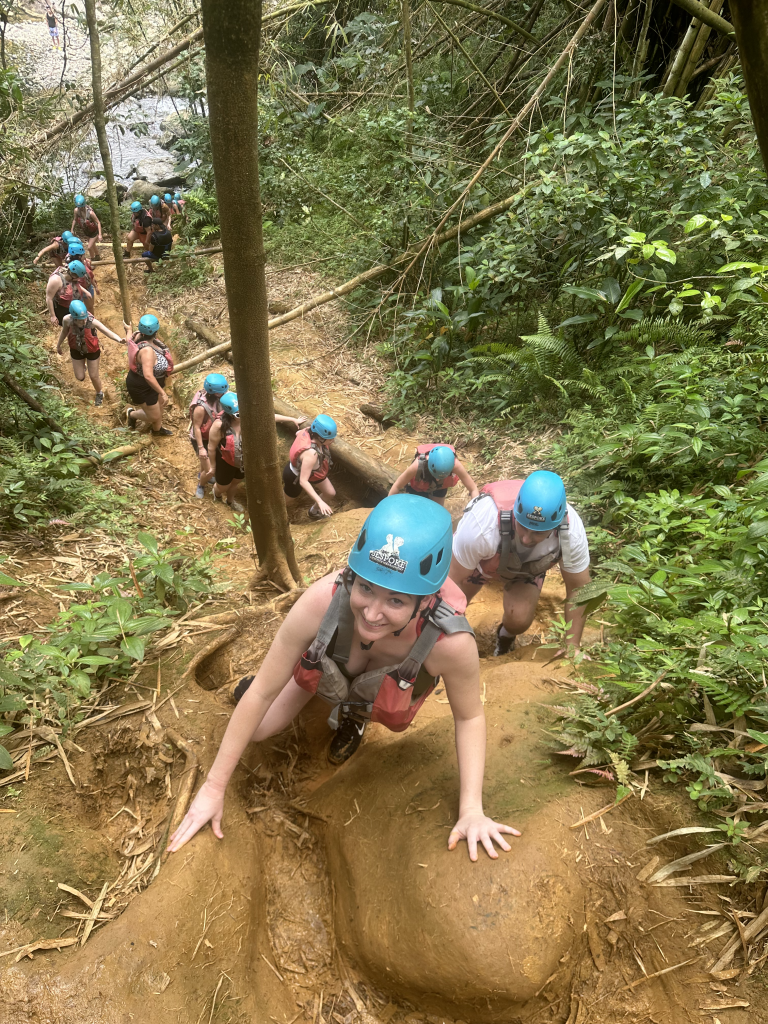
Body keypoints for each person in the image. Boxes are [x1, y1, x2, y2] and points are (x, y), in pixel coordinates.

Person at [166, 494, 520, 861]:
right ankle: (307, 684)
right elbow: (262, 694)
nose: (372, 613)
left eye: (396, 601)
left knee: (369, 697)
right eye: (366, 587)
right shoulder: (323, 600)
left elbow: (469, 716)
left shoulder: (449, 643)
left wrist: (472, 810)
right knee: (258, 724)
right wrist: (213, 787)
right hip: (327, 670)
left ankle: (354, 716)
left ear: (427, 599)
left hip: (379, 695)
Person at [448, 471, 592, 657]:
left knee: (519, 620)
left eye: (538, 533)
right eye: (523, 526)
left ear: (555, 526)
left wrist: (572, 645)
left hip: (527, 569)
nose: (526, 539)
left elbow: (579, 588)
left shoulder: (570, 534)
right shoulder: (483, 523)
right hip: (480, 564)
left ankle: (505, 639)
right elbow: (453, 581)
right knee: (453, 613)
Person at [55, 300, 125, 407]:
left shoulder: (91, 322)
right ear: (73, 317)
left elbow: (106, 331)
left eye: (84, 319)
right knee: (80, 377)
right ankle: (83, 366)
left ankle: (99, 393)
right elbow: (64, 331)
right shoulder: (67, 320)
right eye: (80, 320)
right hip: (76, 349)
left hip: (92, 350)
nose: (83, 322)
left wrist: (119, 340)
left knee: (93, 376)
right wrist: (58, 345)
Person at [125, 314, 174, 437]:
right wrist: (162, 393)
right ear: (156, 331)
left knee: (160, 407)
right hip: (143, 385)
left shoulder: (138, 337)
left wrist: (129, 331)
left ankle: (157, 430)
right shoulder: (147, 350)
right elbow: (148, 375)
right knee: (154, 415)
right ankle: (131, 414)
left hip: (153, 382)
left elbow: (128, 342)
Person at [389, 443, 480, 507]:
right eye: (436, 476)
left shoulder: (455, 465)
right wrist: (387, 505)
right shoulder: (418, 465)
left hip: (440, 487)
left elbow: (473, 489)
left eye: (440, 477)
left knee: (437, 510)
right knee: (417, 508)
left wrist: (476, 508)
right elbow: (397, 485)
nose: (437, 479)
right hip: (420, 483)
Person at [283, 414, 337, 519]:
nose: (333, 441)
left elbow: (297, 433)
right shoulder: (311, 454)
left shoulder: (308, 431)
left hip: (313, 472)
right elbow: (303, 481)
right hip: (294, 477)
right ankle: (273, 513)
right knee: (287, 500)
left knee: (330, 493)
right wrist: (320, 501)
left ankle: (313, 512)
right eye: (330, 439)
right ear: (320, 438)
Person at [189, 373, 229, 499]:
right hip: (201, 438)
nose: (222, 395)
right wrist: (201, 448)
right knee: (210, 469)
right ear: (211, 393)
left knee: (206, 462)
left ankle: (202, 474)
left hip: (212, 436)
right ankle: (201, 484)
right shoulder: (201, 407)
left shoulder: (219, 397)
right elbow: (196, 427)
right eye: (219, 393)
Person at [207, 392, 245, 512]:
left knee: (235, 483)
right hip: (226, 461)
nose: (242, 416)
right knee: (223, 486)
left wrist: (292, 419)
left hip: (242, 461)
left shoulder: (248, 421)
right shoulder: (220, 426)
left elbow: (268, 416)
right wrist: (212, 467)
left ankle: (230, 501)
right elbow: (211, 448)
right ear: (229, 413)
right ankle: (217, 495)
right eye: (238, 414)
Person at [46, 261, 93, 325]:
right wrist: (53, 316)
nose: (79, 279)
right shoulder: (56, 280)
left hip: (73, 304)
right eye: (78, 277)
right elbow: (49, 298)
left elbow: (75, 283)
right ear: (73, 275)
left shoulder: (71, 276)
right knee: (69, 326)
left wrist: (85, 291)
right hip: (62, 308)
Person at [71, 195, 102, 262]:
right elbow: (75, 220)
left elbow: (98, 222)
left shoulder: (90, 212)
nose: (80, 208)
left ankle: (92, 260)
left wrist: (100, 235)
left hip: (94, 232)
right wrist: (72, 229)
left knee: (89, 247)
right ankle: (97, 256)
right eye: (79, 207)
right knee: (93, 245)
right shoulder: (76, 210)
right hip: (87, 231)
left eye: (81, 206)